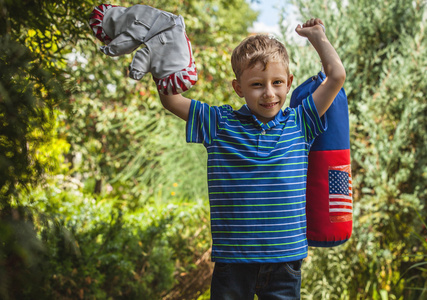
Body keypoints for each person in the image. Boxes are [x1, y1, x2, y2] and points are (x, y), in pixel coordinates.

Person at [158, 18, 345, 300]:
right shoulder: (219, 123)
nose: (269, 93)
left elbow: (336, 76)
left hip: (285, 261)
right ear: (238, 88)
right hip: (233, 262)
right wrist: (162, 49)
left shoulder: (300, 122)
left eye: (277, 83)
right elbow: (172, 100)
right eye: (257, 84)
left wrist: (317, 37)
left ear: (289, 83)